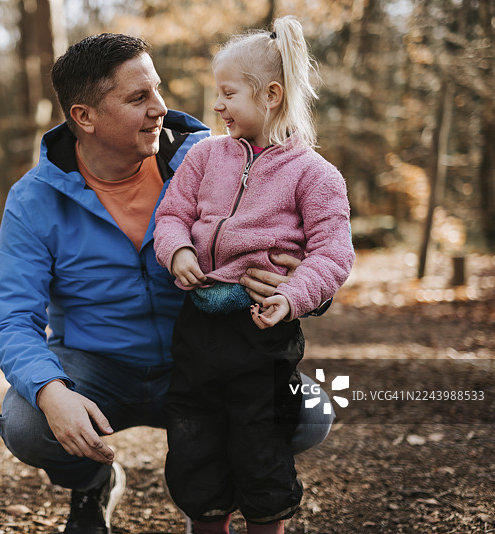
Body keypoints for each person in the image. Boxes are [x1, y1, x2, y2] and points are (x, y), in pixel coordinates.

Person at [0, 32, 335, 534]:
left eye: (157, 89)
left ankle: (240, 485)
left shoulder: (215, 159)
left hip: (205, 357)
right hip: (101, 369)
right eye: (138, 98)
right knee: (28, 423)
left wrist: (299, 287)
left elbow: (314, 237)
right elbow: (13, 320)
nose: (161, 108)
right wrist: (50, 390)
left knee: (309, 414)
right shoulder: (33, 200)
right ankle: (92, 482)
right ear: (84, 117)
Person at [153, 16, 355, 534]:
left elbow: (333, 255)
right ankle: (207, 520)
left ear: (270, 95)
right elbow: (171, 215)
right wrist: (176, 252)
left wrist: (292, 296)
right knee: (194, 439)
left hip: (263, 330)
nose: (216, 106)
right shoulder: (203, 157)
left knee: (259, 440)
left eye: (227, 94)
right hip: (198, 326)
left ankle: (267, 522)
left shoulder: (314, 174)